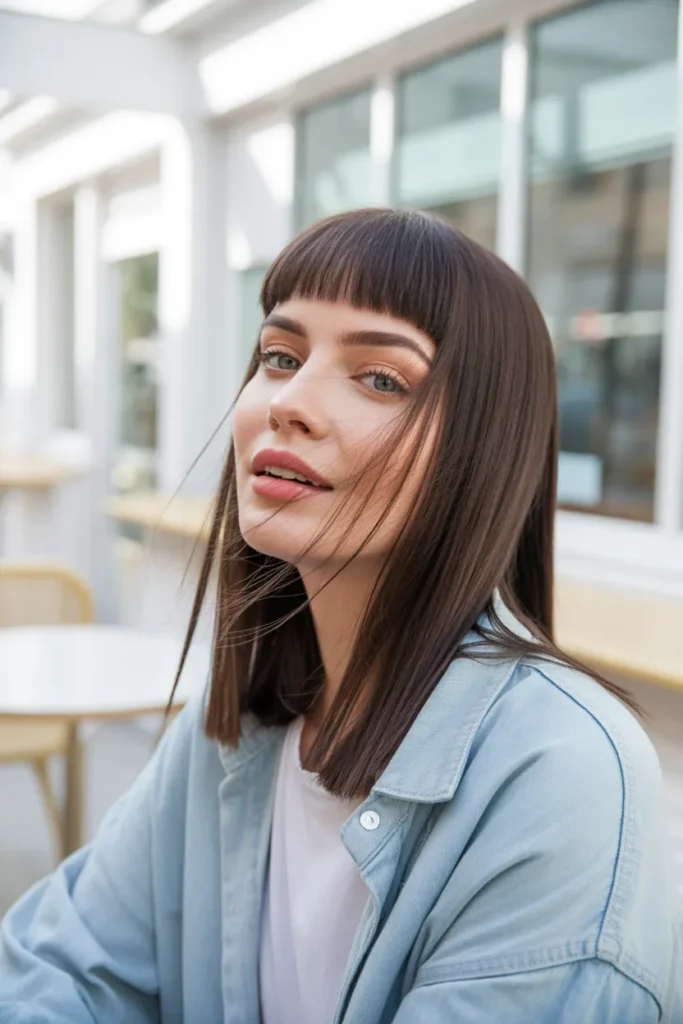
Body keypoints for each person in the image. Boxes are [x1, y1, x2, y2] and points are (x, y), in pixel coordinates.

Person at [0, 209, 680, 1023]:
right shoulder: (237, 723)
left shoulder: (564, 773)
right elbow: (57, 966)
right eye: (279, 356)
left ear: (480, 452)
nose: (289, 402)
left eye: (380, 378)